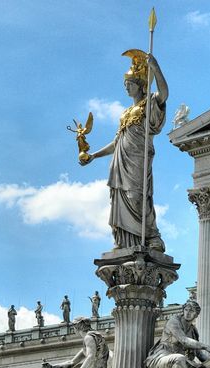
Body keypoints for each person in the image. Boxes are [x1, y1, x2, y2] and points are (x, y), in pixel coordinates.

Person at [80, 50, 167, 252]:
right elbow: (116, 142)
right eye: (125, 85)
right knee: (120, 200)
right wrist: (94, 156)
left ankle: (152, 236)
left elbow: (164, 94)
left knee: (137, 197)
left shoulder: (149, 104)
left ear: (140, 85)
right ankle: (126, 241)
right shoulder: (125, 113)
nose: (126, 88)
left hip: (138, 157)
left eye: (130, 84)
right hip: (121, 161)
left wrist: (156, 68)